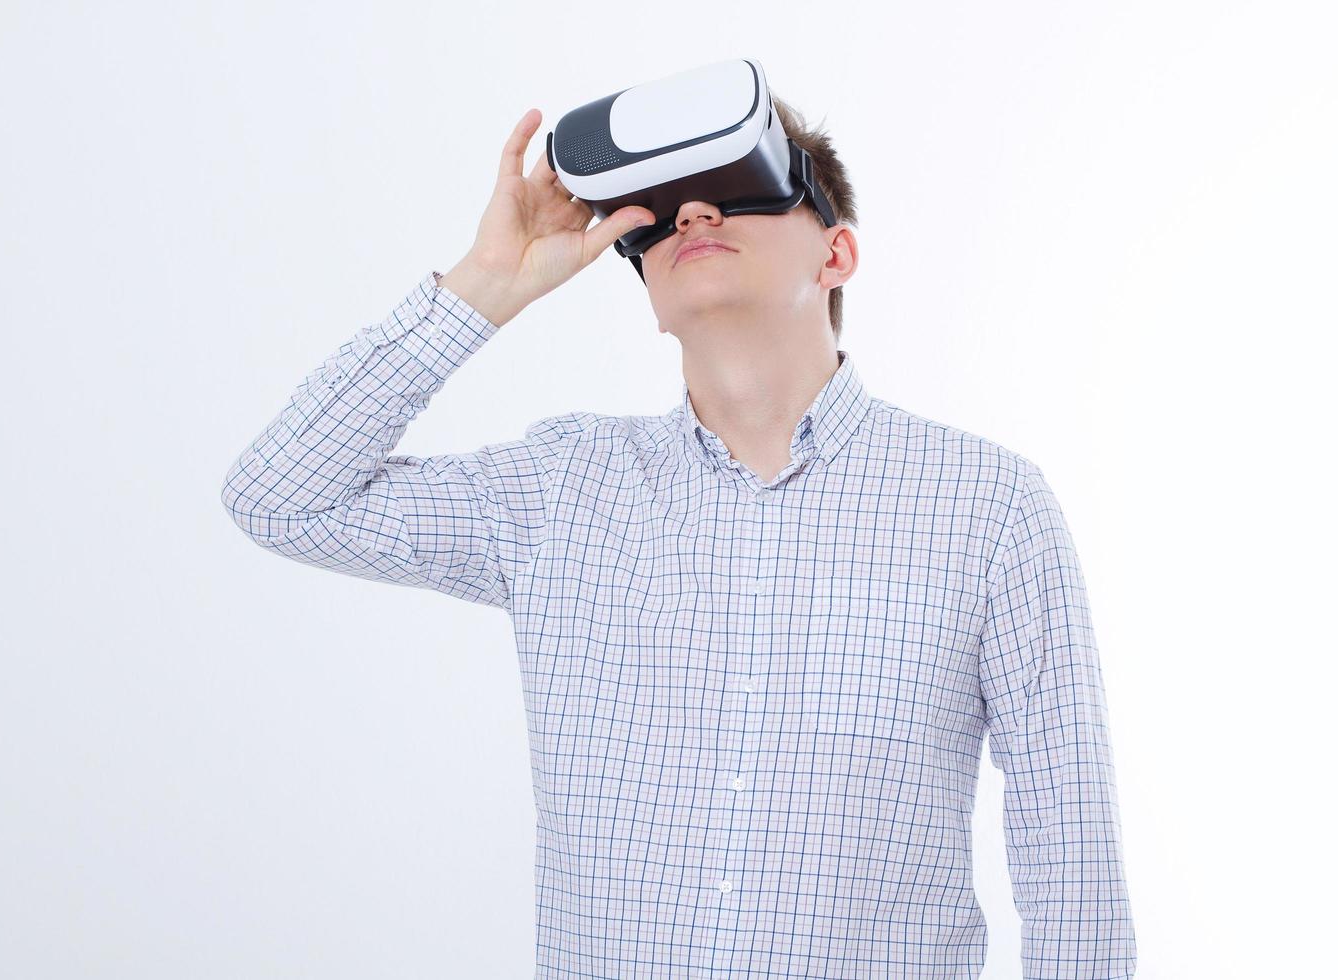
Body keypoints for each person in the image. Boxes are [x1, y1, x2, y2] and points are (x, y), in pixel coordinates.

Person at [222, 100, 1138, 978]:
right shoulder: (562, 486)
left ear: (837, 251)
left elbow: (1072, 856)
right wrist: (484, 290)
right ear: (649, 288)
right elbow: (280, 499)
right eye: (655, 214)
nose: (693, 211)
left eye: (742, 182)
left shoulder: (989, 508)